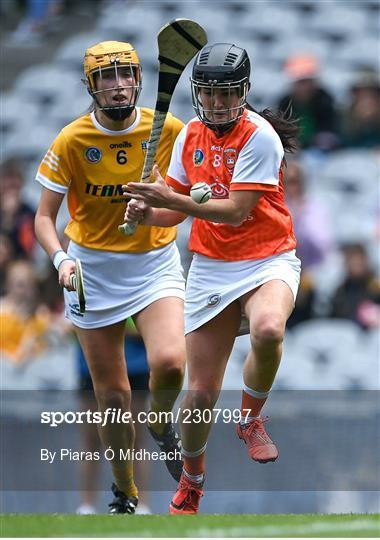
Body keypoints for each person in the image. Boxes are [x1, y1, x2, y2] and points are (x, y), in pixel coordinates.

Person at [123, 42, 301, 514]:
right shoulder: (190, 138)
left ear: (243, 91)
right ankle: (193, 481)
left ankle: (250, 418)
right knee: (200, 392)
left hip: (269, 257)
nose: (216, 102)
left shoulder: (261, 137)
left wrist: (173, 201)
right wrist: (147, 213)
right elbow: (173, 216)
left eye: (226, 93)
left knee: (268, 328)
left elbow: (237, 213)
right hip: (212, 266)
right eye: (208, 93)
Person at [34, 41, 186, 514]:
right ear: (91, 86)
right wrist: (61, 260)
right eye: (106, 77)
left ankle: (161, 424)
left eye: (125, 75)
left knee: (171, 363)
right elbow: (44, 218)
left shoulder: (169, 130)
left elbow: (180, 213)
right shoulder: (71, 140)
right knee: (114, 395)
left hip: (153, 263)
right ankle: (126, 492)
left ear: (139, 80)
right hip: (91, 272)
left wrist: (152, 212)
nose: (117, 85)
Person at [277, 53, 339, 151]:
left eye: (307, 82)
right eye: (300, 82)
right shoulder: (284, 103)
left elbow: (330, 132)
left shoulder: (326, 102)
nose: (305, 87)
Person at [329, 243, 380, 330]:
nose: (355, 265)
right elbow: (334, 320)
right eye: (352, 262)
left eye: (359, 262)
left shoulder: (376, 288)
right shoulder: (340, 292)